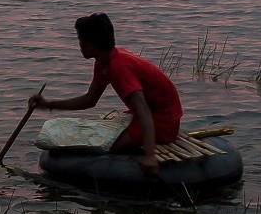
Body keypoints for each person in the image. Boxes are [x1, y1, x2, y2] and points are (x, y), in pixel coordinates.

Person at [30, 12, 182, 174]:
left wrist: (150, 156)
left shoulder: (119, 67)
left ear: (90, 45)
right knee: (98, 138)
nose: (79, 44)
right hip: (143, 114)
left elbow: (143, 110)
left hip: (163, 121)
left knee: (109, 146)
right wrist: (48, 105)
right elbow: (90, 100)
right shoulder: (103, 62)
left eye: (80, 40)